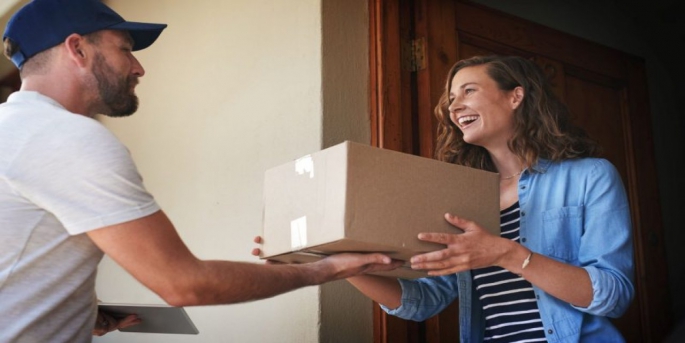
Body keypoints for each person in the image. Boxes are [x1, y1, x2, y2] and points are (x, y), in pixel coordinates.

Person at [0, 0, 399, 342]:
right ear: (78, 49)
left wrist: (73, 308)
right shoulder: (67, 138)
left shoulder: (13, 130)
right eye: (124, 48)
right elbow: (185, 283)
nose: (138, 68)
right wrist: (324, 269)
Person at [343, 55, 635, 342]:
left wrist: (505, 253)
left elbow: (613, 295)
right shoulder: (458, 199)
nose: (455, 107)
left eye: (469, 90)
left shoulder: (590, 176)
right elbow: (425, 299)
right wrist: (342, 265)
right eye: (451, 99)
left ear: (515, 96)